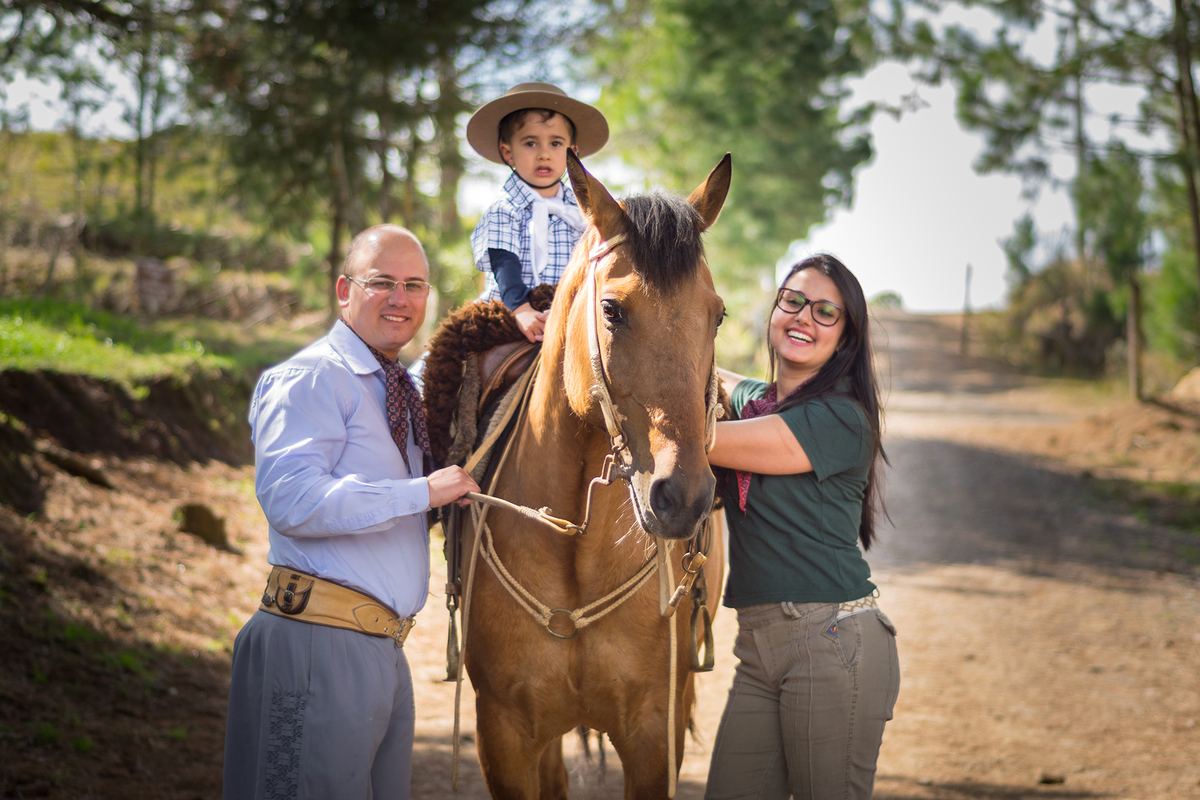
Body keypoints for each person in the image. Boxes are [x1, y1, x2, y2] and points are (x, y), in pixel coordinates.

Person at [222, 224, 479, 800]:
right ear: (344, 290)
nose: (400, 299)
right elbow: (292, 500)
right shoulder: (311, 378)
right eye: (381, 282)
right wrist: (421, 493)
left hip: (383, 650)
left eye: (415, 285)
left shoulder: (399, 388)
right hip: (317, 643)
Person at [704, 254, 900, 800]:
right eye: (792, 301)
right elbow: (713, 377)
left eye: (825, 312)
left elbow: (699, 438)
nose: (803, 317)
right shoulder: (759, 403)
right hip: (758, 647)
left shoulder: (841, 418)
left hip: (831, 641)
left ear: (846, 338)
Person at [466, 81, 609, 342]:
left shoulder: (583, 212)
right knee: (451, 362)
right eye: (530, 144)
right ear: (508, 153)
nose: (544, 154)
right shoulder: (505, 208)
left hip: (572, 318)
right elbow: (504, 264)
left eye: (556, 144)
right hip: (511, 315)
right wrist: (521, 310)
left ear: (572, 153)